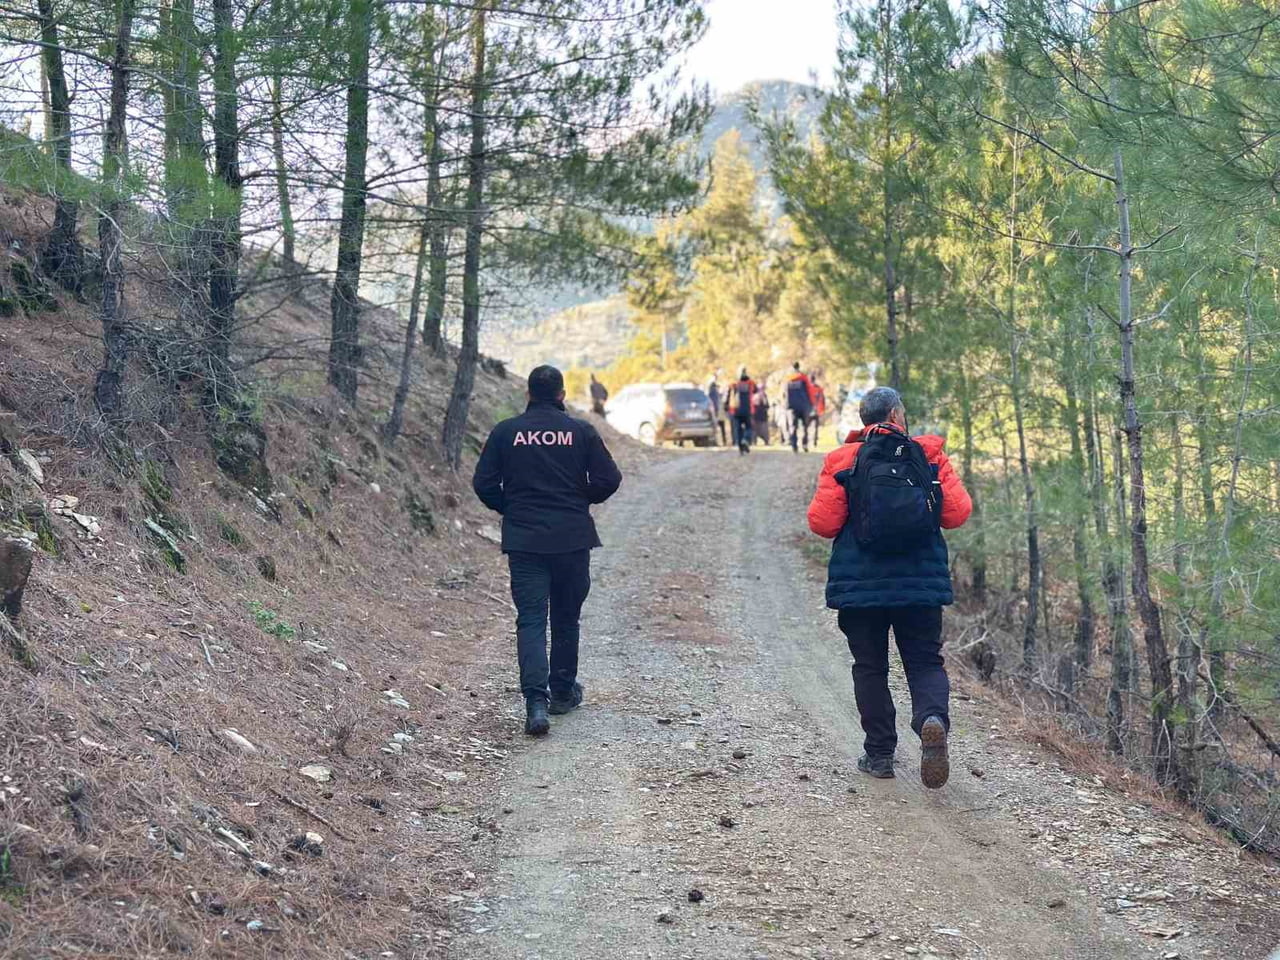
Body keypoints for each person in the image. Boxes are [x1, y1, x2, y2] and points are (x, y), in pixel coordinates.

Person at [806, 386, 972, 788]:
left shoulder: (842, 459)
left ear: (865, 420)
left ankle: (879, 754)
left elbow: (822, 523)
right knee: (925, 661)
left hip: (859, 587)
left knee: (870, 667)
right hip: (920, 583)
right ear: (897, 415)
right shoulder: (929, 455)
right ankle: (931, 719)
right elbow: (957, 513)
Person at [473, 365, 623, 736]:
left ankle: (535, 704)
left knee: (531, 619)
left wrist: (511, 506)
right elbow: (609, 479)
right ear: (561, 395)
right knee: (566, 617)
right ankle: (561, 693)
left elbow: (483, 483)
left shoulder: (506, 432)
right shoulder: (580, 431)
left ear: (527, 394)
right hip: (571, 538)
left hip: (525, 541)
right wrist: (578, 500)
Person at [725, 367, 756, 455]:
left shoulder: (733, 384)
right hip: (747, 409)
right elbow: (755, 390)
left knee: (738, 429)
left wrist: (726, 407)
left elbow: (727, 397)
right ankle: (745, 440)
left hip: (735, 410)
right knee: (749, 427)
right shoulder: (750, 383)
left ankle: (740, 448)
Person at [785, 362, 815, 453]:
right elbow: (810, 391)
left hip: (792, 407)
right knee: (805, 426)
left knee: (793, 426)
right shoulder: (803, 378)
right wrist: (812, 403)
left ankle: (794, 446)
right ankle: (804, 444)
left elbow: (785, 393)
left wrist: (786, 404)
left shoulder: (788, 379)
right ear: (799, 367)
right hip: (803, 405)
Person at [706, 371, 727, 446]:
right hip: (717, 411)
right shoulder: (713, 390)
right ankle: (720, 441)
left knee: (718, 426)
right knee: (719, 427)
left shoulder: (712, 391)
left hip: (716, 411)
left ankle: (719, 441)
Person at [808, 374, 827, 448]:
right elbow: (823, 399)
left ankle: (807, 441)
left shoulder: (807, 388)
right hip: (817, 410)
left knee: (806, 426)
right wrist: (823, 409)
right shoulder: (818, 388)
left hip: (808, 410)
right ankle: (814, 442)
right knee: (815, 427)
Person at [751, 381, 771, 446]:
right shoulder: (763, 395)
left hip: (754, 415)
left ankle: (754, 442)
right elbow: (767, 405)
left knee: (755, 430)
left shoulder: (753, 396)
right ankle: (766, 441)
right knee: (764, 430)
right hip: (762, 415)